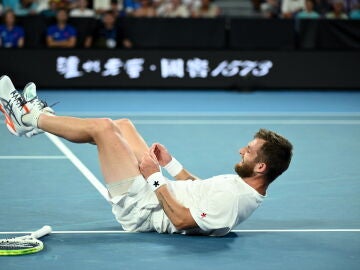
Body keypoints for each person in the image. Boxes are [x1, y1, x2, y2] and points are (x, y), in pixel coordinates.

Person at [0, 75, 293, 236]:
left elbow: (180, 220)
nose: (241, 150)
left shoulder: (237, 199)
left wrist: (154, 178)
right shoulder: (240, 186)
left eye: (249, 151)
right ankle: (40, 120)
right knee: (123, 125)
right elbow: (200, 188)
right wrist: (169, 164)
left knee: (103, 129)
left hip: (141, 209)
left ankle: (28, 118)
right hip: (157, 191)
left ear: (261, 166)